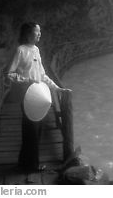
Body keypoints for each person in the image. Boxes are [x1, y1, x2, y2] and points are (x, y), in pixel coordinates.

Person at [7, 22, 71, 172]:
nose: (39, 34)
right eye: (37, 32)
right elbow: (9, 74)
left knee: (37, 130)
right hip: (27, 94)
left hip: (40, 94)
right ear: (28, 34)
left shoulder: (36, 50)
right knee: (31, 131)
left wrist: (57, 88)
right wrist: (26, 80)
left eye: (40, 32)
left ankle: (25, 163)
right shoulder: (21, 50)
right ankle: (31, 166)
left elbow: (42, 75)